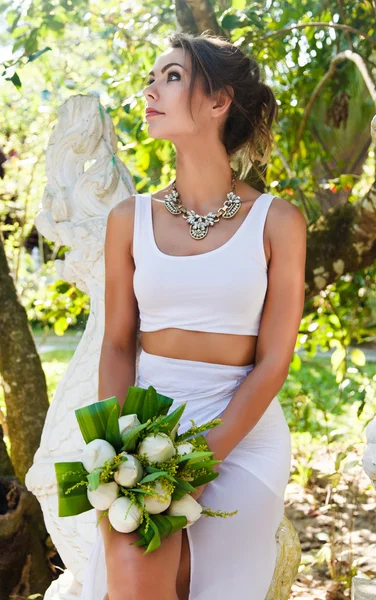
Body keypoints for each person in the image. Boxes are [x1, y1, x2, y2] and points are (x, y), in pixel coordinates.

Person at [81, 31, 307, 600]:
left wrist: (203, 461)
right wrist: (121, 447)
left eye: (172, 76)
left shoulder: (278, 221)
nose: (150, 88)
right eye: (152, 77)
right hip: (146, 424)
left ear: (218, 101)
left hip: (241, 434)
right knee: (134, 571)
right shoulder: (128, 219)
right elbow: (116, 345)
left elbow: (274, 361)